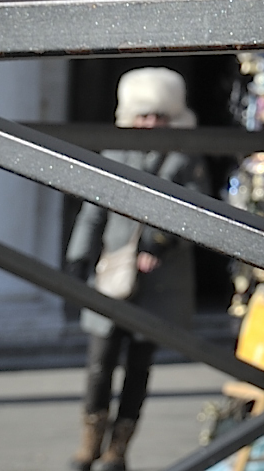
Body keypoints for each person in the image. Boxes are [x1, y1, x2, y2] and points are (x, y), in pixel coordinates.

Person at [67, 67, 211, 471]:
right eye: (144, 115)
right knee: (99, 363)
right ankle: (89, 443)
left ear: (171, 116)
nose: (151, 123)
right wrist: (79, 256)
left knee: (138, 367)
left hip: (159, 281)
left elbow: (202, 214)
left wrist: (159, 243)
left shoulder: (185, 157)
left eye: (159, 115)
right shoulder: (116, 152)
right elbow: (92, 211)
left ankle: (118, 450)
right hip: (112, 273)